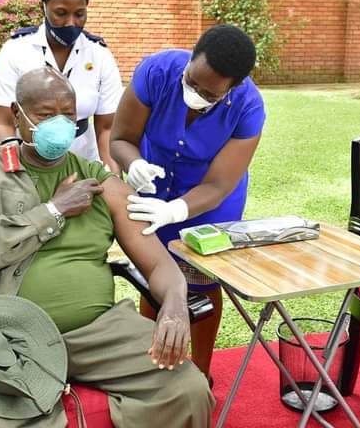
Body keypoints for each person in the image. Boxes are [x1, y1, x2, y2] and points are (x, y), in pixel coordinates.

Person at [0, 66, 213, 427]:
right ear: (16, 115)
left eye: (68, 115)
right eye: (45, 115)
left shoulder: (99, 180)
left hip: (98, 332)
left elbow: (159, 264)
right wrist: (54, 210)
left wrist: (175, 306)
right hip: (7, 337)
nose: (60, 125)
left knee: (186, 389)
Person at [109, 24, 265, 381]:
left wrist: (176, 210)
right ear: (191, 58)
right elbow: (121, 137)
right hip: (152, 184)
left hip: (211, 201)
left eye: (209, 94)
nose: (194, 94)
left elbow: (219, 183)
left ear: (233, 87)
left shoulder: (248, 107)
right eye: (191, 82)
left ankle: (201, 371)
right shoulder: (157, 71)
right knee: (155, 274)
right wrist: (132, 164)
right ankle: (150, 362)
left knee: (203, 282)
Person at [0, 0, 122, 172]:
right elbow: (4, 123)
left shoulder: (99, 55)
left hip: (84, 163)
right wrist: (12, 173)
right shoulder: (16, 51)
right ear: (44, 7)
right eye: (60, 13)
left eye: (80, 14)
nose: (71, 23)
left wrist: (112, 176)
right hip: (28, 163)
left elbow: (106, 128)